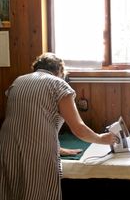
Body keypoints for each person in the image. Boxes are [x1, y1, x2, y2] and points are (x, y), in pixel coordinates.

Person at [0, 52, 117, 200]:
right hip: (36, 152)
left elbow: (26, 121)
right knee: (37, 192)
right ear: (59, 71)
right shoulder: (58, 84)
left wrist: (58, 148)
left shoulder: (17, 82)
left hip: (7, 146)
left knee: (11, 191)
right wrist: (101, 138)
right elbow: (78, 128)